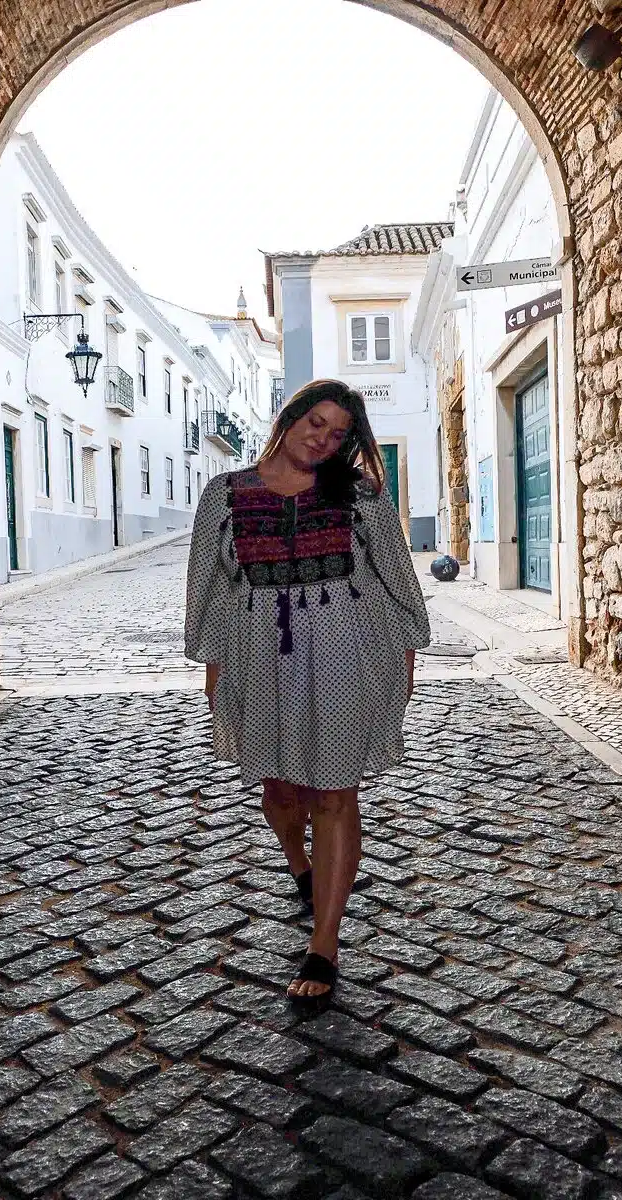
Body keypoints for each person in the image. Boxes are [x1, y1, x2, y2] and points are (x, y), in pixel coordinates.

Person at [184, 379, 431, 1010]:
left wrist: (403, 658)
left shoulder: (362, 497)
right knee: (280, 793)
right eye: (316, 423)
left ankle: (324, 940)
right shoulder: (224, 496)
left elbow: (397, 579)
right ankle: (300, 864)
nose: (324, 439)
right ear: (290, 418)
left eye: (340, 432)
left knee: (335, 790)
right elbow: (208, 586)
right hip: (259, 660)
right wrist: (213, 665)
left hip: (350, 655)